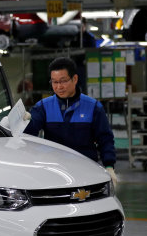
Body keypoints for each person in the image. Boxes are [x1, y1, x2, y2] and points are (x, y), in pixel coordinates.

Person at [24, 57, 118, 186]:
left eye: (63, 81)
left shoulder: (93, 107)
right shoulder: (43, 107)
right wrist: (24, 122)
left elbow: (105, 139)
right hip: (56, 172)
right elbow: (29, 136)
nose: (59, 87)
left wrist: (109, 166)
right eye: (54, 82)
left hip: (87, 171)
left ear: (75, 79)